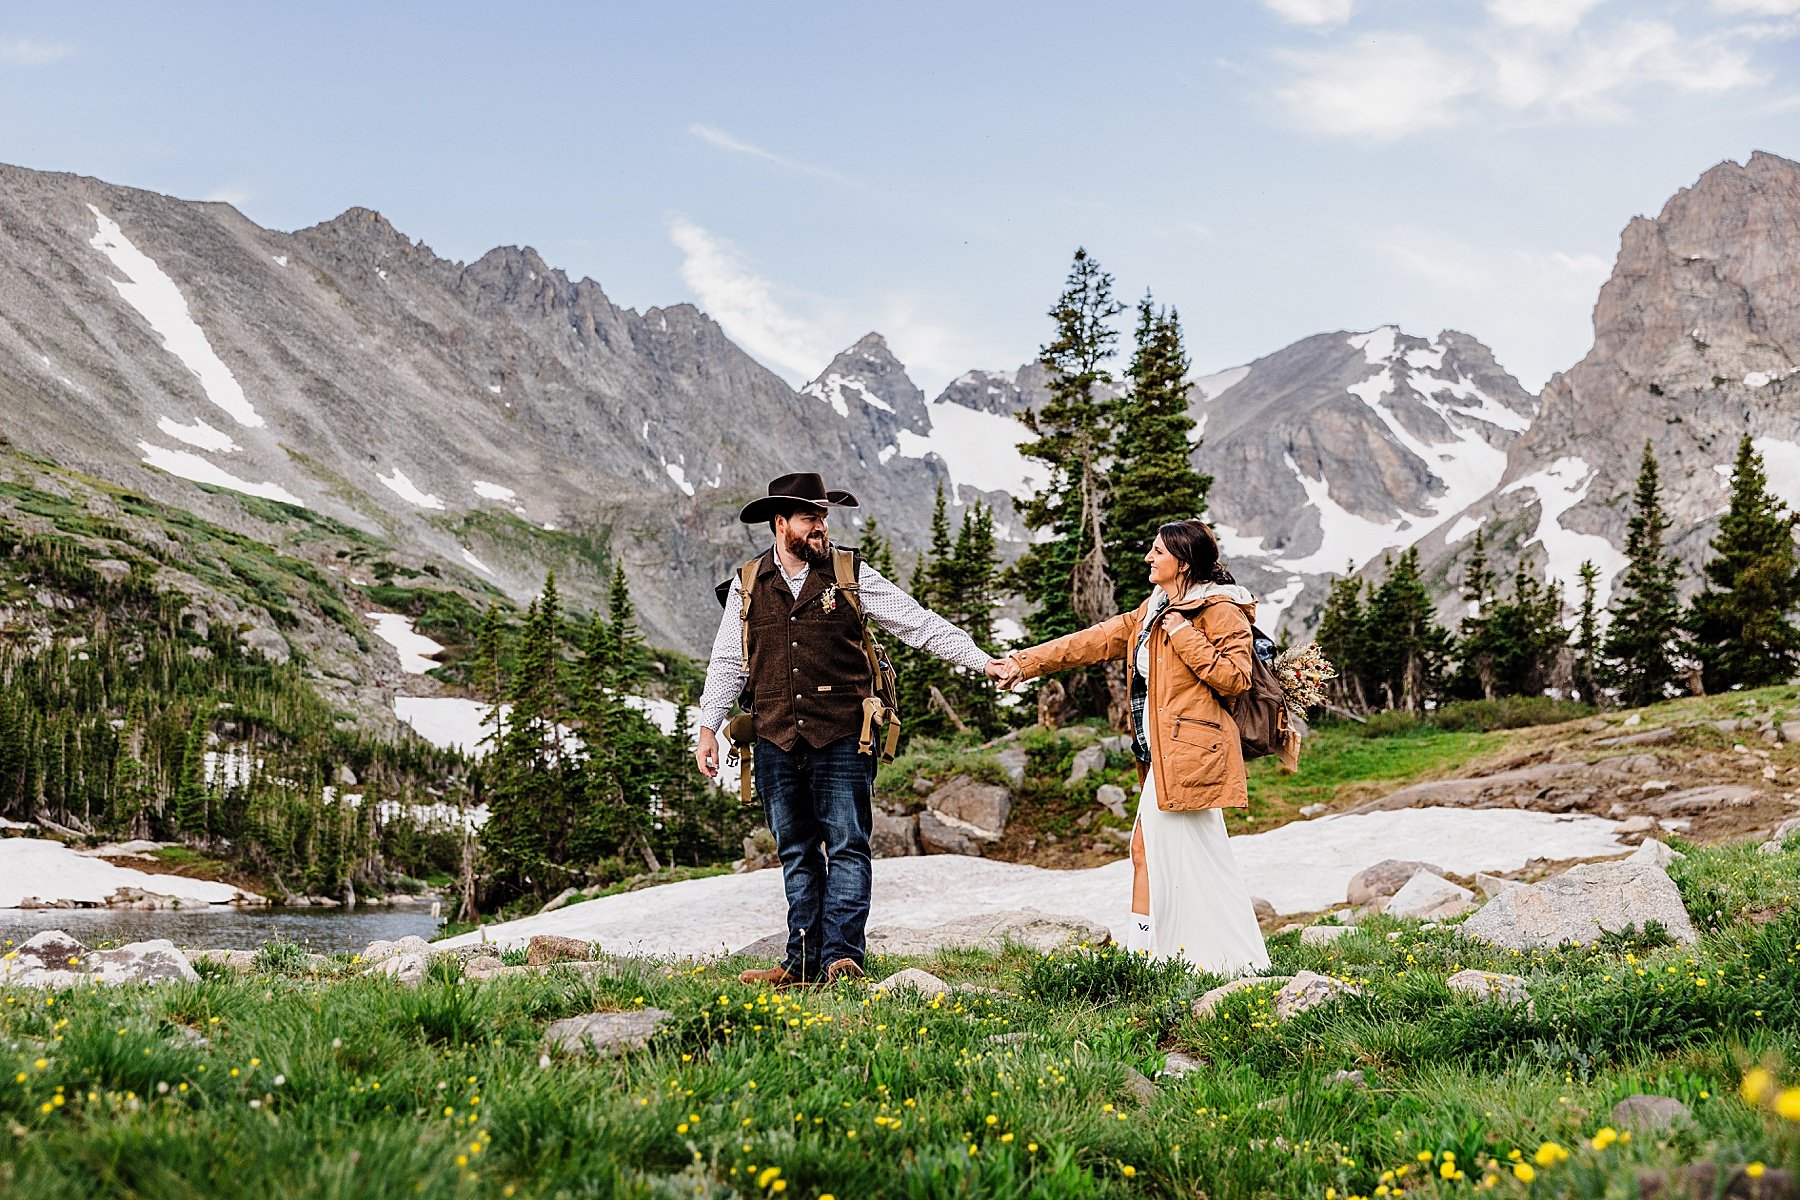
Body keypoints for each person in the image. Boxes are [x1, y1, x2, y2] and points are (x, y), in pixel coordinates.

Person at [696, 472, 1010, 987]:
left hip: (844, 734)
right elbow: (728, 661)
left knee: (846, 845)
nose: (820, 527)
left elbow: (919, 623)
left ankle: (842, 957)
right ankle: (800, 963)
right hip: (774, 736)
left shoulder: (850, 574)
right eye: (809, 519)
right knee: (795, 851)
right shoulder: (748, 584)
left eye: (823, 517)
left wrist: (981, 661)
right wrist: (709, 727)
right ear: (781, 523)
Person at [995, 519, 1270, 975]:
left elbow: (1236, 678)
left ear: (1182, 564)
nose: (1149, 558)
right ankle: (1205, 957)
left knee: (1152, 853)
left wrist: (1184, 634)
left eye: (1158, 552)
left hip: (1189, 755)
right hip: (1160, 754)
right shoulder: (1153, 608)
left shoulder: (1220, 610)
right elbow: (1093, 640)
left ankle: (1147, 959)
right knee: (1185, 859)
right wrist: (1023, 664)